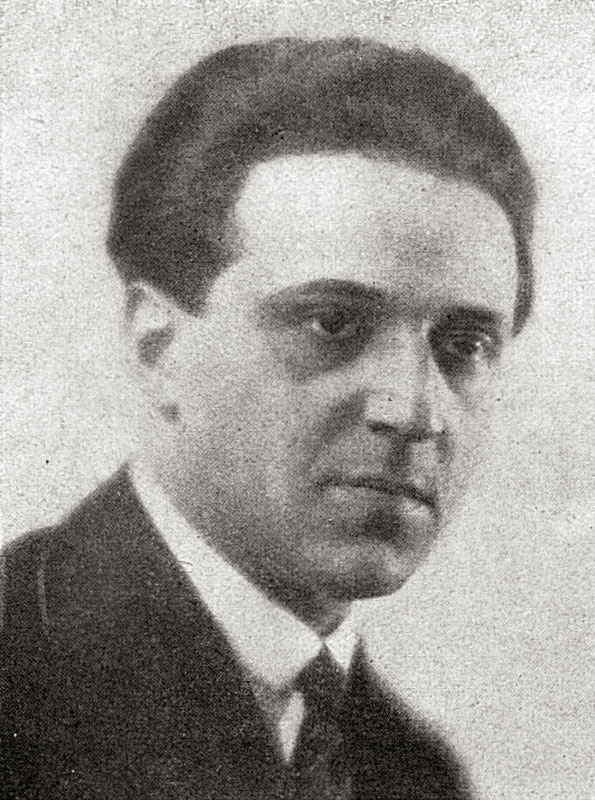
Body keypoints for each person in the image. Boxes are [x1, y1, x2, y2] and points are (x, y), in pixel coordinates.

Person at [0, 37, 535, 799]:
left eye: (464, 346)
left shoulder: (412, 773)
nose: (414, 410)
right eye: (332, 325)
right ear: (157, 347)